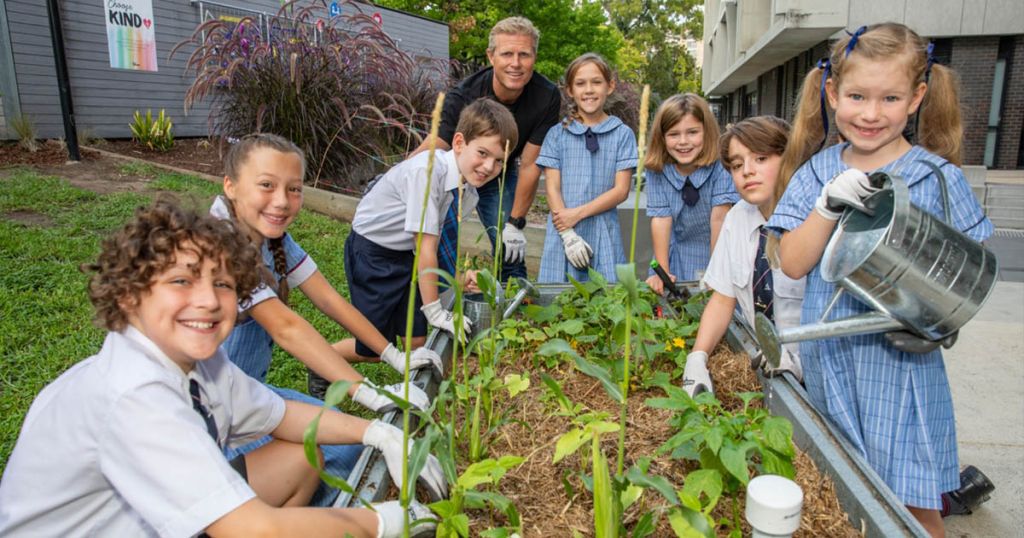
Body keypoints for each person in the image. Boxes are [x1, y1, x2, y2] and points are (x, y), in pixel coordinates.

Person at [0, 199, 443, 538]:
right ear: (128, 295)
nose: (209, 300)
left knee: (298, 457)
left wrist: (379, 433)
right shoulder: (134, 395)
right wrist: (380, 522)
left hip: (142, 517)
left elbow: (283, 415)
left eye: (223, 284)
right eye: (181, 281)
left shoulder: (202, 362)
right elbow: (253, 528)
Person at [765, 23, 992, 537]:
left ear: (916, 98)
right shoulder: (817, 172)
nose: (871, 114)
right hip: (833, 365)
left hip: (903, 369)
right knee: (841, 495)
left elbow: (969, 268)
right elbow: (793, 263)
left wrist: (940, 324)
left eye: (889, 97)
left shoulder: (935, 176)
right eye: (857, 96)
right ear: (832, 93)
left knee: (911, 505)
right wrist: (827, 205)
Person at [347, 99, 518, 349]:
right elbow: (426, 248)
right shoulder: (426, 174)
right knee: (374, 346)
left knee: (416, 340)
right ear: (459, 142)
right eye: (482, 153)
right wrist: (435, 312)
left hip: (409, 253)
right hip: (374, 253)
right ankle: (320, 365)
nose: (489, 167)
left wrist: (456, 279)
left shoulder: (468, 191)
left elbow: (438, 245)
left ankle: (416, 383)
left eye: (499, 160)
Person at [410, 16, 562, 280]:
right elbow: (436, 145)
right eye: (506, 54)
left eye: (524, 54)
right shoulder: (463, 95)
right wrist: (398, 174)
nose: (515, 63)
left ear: (534, 57)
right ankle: (443, 300)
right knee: (438, 242)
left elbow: (529, 164)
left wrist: (515, 224)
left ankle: (515, 308)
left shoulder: (546, 96)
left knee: (509, 246)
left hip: (500, 171)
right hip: (456, 173)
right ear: (491, 56)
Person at [681, 116, 804, 396]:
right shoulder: (737, 217)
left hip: (816, 376)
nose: (747, 171)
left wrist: (804, 363)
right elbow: (724, 298)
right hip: (769, 371)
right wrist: (698, 356)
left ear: (789, 158)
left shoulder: (811, 223)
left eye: (760, 159)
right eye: (737, 165)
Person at [536, 53, 636, 283]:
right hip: (564, 233)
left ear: (609, 86)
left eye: (596, 82)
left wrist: (576, 214)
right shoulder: (557, 135)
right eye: (580, 83)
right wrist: (567, 233)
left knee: (605, 303)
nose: (588, 90)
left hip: (603, 230)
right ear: (570, 90)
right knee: (560, 304)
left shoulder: (622, 134)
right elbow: (552, 188)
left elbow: (621, 191)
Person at [644, 93, 739, 294]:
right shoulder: (656, 170)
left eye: (692, 132)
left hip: (714, 252)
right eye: (673, 134)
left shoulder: (720, 166)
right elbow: (661, 220)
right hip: (673, 254)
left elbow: (719, 219)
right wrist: (663, 272)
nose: (683, 142)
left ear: (707, 132)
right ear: (662, 137)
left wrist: (716, 273)